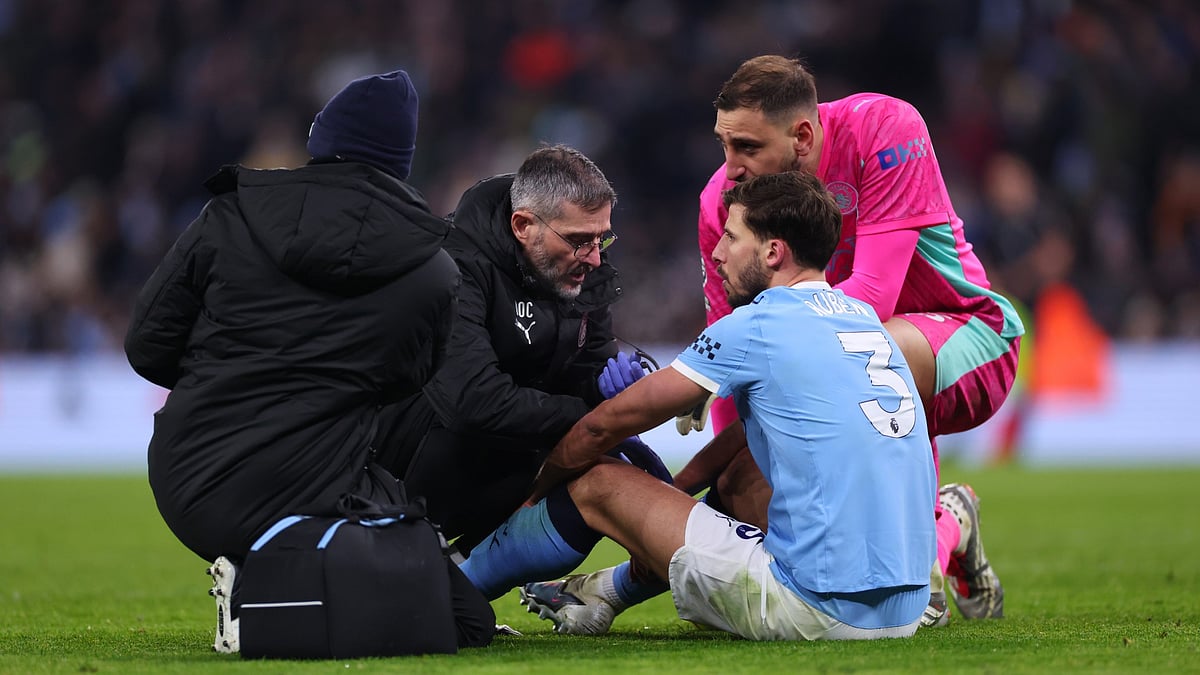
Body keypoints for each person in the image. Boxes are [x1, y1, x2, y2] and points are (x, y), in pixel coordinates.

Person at [457, 171, 937, 641]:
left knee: (595, 480)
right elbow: (742, 439)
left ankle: (454, 587)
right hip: (907, 610)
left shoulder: (756, 325)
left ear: (773, 252)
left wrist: (535, 493)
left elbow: (602, 429)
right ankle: (605, 592)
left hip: (818, 608)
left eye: (731, 237)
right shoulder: (866, 320)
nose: (718, 252)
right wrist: (673, 498)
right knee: (741, 479)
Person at [124, 69, 494, 653]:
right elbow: (412, 383)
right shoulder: (434, 271)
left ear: (321, 139)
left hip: (190, 475)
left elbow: (146, 346)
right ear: (401, 158)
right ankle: (263, 599)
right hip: (318, 484)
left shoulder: (229, 216)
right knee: (465, 624)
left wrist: (224, 375)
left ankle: (257, 579)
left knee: (456, 616)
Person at [682, 54, 1021, 625]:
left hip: (967, 332)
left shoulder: (884, 128)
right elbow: (739, 359)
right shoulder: (722, 203)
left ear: (804, 136)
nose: (730, 167)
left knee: (863, 351)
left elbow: (872, 299)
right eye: (724, 145)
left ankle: (931, 537)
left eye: (746, 147)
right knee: (766, 473)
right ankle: (947, 523)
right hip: (850, 359)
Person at [372, 143, 670, 558]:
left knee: (609, 469)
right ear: (522, 225)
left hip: (497, 460)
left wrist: (608, 392)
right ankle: (429, 560)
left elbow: (585, 368)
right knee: (585, 456)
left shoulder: (576, 266)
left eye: (603, 237)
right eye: (581, 240)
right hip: (409, 467)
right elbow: (473, 401)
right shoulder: (450, 269)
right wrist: (597, 422)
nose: (596, 258)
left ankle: (459, 570)